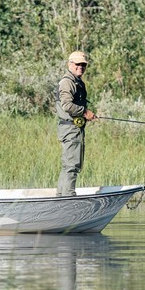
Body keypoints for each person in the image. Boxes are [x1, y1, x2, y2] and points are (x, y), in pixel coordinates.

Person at [55, 50, 97, 196]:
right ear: (70, 64)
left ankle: (61, 197)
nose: (81, 67)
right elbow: (67, 105)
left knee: (69, 165)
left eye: (83, 65)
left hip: (74, 128)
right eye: (78, 64)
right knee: (71, 165)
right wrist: (85, 112)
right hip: (70, 128)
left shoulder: (77, 82)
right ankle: (68, 198)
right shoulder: (67, 82)